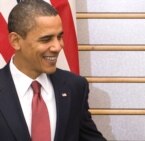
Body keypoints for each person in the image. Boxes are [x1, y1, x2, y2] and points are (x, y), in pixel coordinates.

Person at [0, 0, 106, 141]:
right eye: (46, 39)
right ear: (16, 41)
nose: (57, 47)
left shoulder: (75, 86)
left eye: (60, 37)